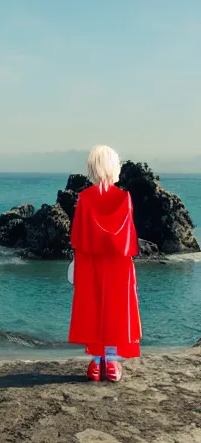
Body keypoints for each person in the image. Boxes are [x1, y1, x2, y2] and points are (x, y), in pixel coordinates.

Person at [68, 145, 141, 382]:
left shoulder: (84, 198)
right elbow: (129, 236)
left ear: (92, 168)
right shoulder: (124, 198)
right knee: (118, 310)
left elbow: (77, 237)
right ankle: (111, 362)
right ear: (114, 167)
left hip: (90, 262)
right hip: (119, 262)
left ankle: (96, 363)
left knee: (92, 308)